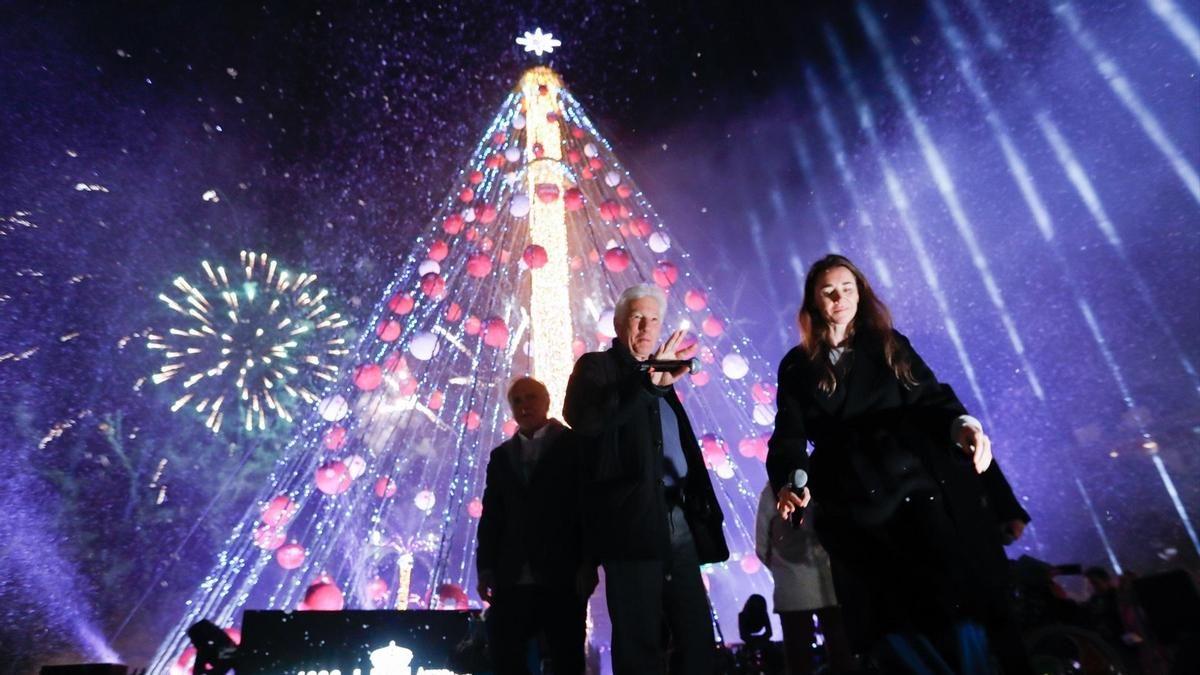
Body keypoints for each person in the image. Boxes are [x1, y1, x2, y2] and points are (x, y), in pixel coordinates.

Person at [766, 254, 1028, 674]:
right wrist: (792, 480)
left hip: (910, 488)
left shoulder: (889, 344)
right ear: (814, 301)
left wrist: (963, 426)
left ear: (860, 292)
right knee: (885, 613)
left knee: (946, 596)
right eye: (829, 291)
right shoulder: (797, 366)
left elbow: (930, 398)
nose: (840, 298)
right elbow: (789, 434)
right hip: (848, 502)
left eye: (847, 288)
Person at [563, 283, 729, 675]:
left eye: (654, 319)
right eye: (637, 317)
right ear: (619, 324)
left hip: (678, 520)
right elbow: (586, 421)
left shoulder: (660, 375)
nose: (646, 327)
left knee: (696, 637)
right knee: (639, 641)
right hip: (630, 524)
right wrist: (645, 387)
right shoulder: (597, 368)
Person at [476, 376, 593, 675]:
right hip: (511, 575)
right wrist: (486, 567)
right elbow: (492, 517)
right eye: (517, 400)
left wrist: (588, 563)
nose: (524, 405)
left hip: (561, 573)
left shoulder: (574, 446)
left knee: (566, 656)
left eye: (530, 398)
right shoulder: (501, 457)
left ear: (546, 402)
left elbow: (587, 509)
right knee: (507, 658)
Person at [754, 483, 853, 674]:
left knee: (798, 659)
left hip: (791, 585)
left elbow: (761, 546)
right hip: (828, 580)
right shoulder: (821, 479)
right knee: (841, 650)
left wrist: (779, 567)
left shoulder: (770, 491)